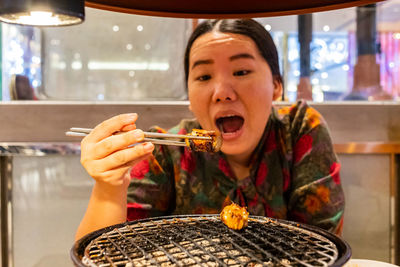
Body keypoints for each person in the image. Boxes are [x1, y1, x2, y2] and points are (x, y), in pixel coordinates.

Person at [75, 19, 345, 241]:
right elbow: (110, 251)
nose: (222, 93)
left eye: (241, 72)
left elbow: (321, 242)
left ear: (276, 86)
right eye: (204, 77)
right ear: (190, 99)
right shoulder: (167, 151)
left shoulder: (298, 130)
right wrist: (108, 187)